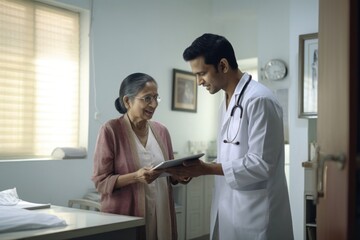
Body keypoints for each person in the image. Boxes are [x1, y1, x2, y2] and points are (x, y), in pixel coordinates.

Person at [166, 33, 294, 240]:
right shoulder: (226, 103)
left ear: (223, 65)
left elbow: (262, 164)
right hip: (228, 207)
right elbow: (231, 156)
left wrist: (206, 169)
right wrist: (196, 168)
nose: (198, 82)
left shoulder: (259, 100)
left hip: (256, 212)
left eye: (202, 74)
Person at [92, 72, 186, 240]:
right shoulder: (111, 130)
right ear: (127, 101)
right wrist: (135, 177)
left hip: (162, 212)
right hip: (128, 215)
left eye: (156, 98)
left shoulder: (161, 131)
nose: (154, 104)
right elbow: (101, 182)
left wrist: (181, 175)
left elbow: (171, 174)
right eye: (147, 98)